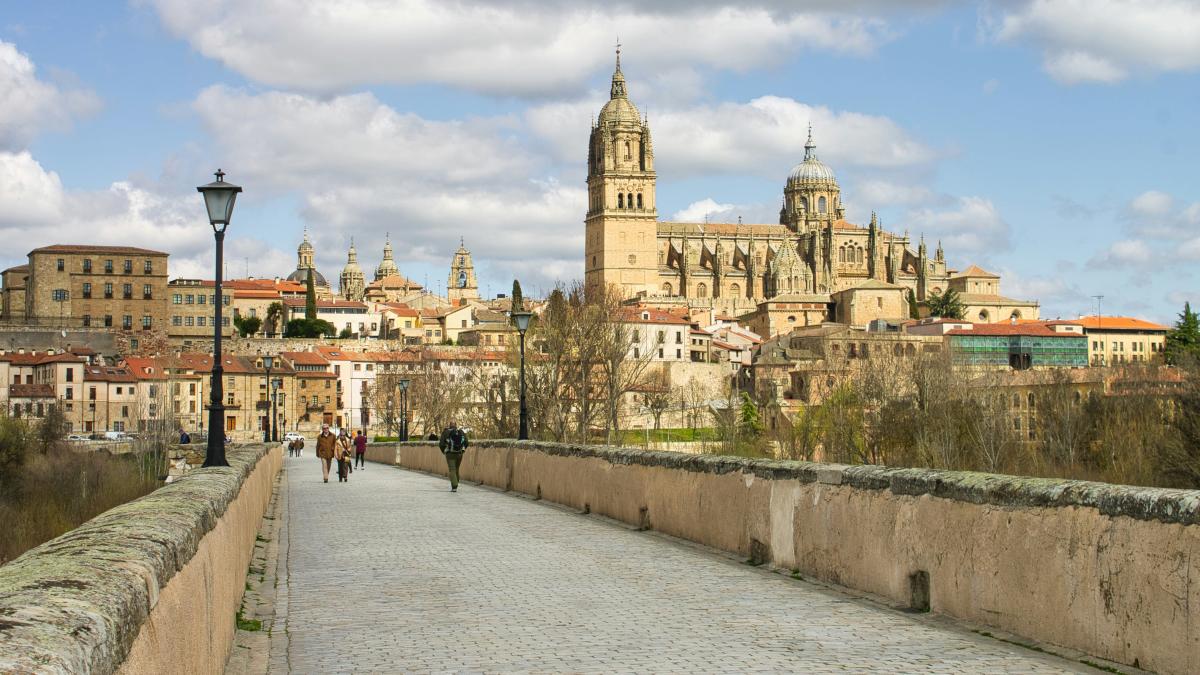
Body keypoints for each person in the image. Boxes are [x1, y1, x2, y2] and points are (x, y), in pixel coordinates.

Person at [438, 421, 469, 492]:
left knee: (452, 469)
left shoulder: (446, 432)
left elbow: (441, 444)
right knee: (457, 469)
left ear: (449, 425)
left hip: (450, 454)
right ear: (456, 425)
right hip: (459, 454)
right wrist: (462, 450)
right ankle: (456, 483)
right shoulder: (461, 432)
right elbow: (466, 442)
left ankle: (454, 486)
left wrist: (444, 451)